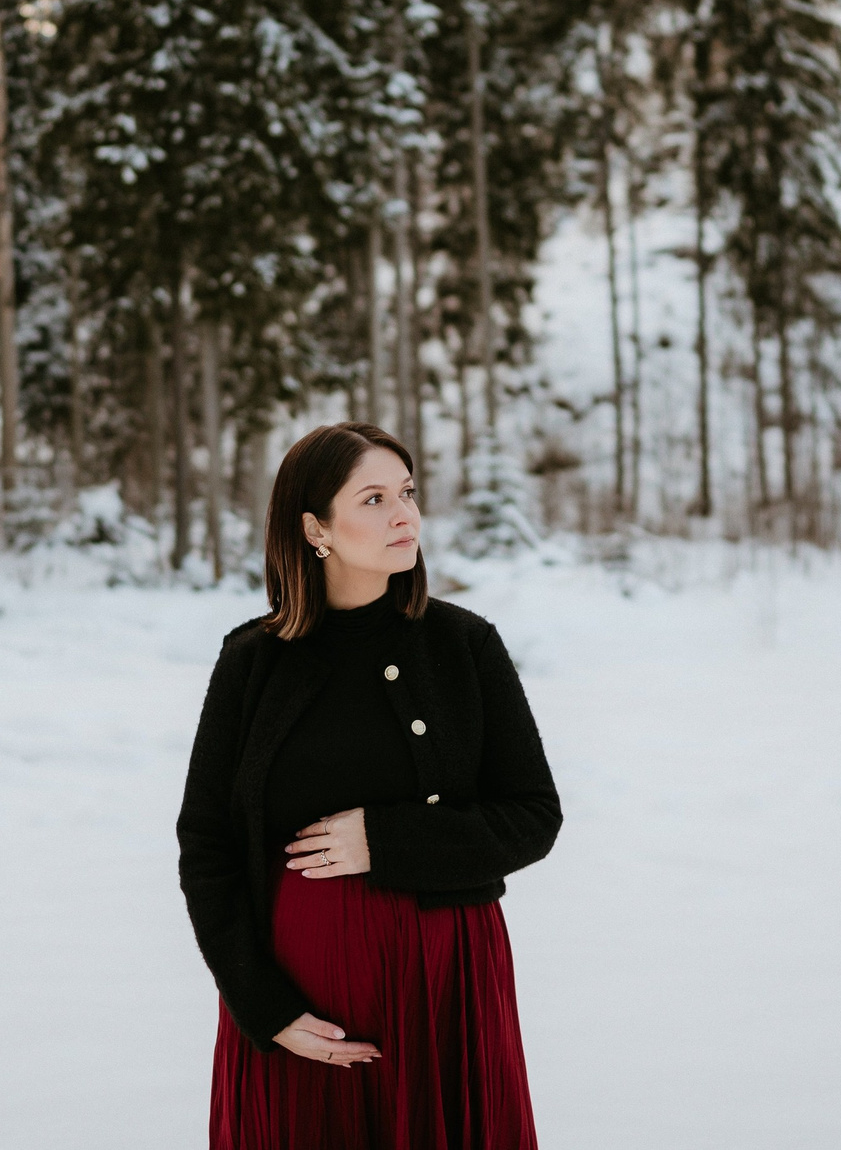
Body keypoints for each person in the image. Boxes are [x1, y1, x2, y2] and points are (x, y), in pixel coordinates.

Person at [176, 420, 561, 1148]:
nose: (405, 514)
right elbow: (207, 843)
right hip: (301, 997)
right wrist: (264, 1007)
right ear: (315, 528)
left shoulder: (464, 644)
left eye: (408, 493)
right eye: (375, 498)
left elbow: (533, 816)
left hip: (442, 983)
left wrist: (383, 839)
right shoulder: (253, 661)